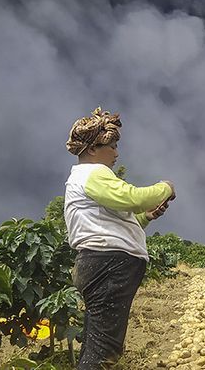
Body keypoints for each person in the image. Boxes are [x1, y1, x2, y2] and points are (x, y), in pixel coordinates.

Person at [64, 107, 175, 369]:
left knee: (98, 342)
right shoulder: (94, 174)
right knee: (103, 350)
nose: (116, 153)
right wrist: (166, 188)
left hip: (99, 263)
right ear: (92, 149)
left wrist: (146, 218)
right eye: (111, 146)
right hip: (107, 265)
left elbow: (115, 222)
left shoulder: (80, 180)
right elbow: (132, 198)